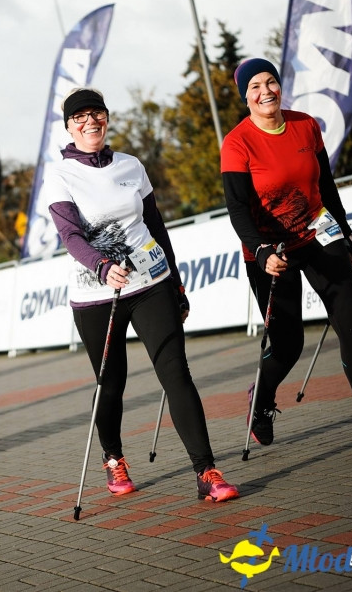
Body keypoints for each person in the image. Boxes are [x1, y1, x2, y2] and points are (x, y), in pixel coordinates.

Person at [44, 87, 239, 502]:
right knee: (111, 383)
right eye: (80, 117)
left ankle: (206, 471)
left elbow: (156, 226)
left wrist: (177, 284)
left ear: (107, 118)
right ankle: (113, 457)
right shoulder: (60, 174)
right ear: (69, 127)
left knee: (176, 374)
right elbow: (70, 235)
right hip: (97, 294)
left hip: (151, 282)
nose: (90, 122)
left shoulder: (131, 165)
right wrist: (101, 266)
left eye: (97, 114)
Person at [221, 57, 352, 449]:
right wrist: (261, 251)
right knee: (288, 345)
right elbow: (237, 209)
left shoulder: (305, 124)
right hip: (271, 251)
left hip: (318, 233)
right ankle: (261, 400)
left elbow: (326, 186)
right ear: (245, 97)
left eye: (270, 82)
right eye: (255, 86)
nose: (265, 91)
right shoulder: (237, 143)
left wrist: (347, 237)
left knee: (350, 324)